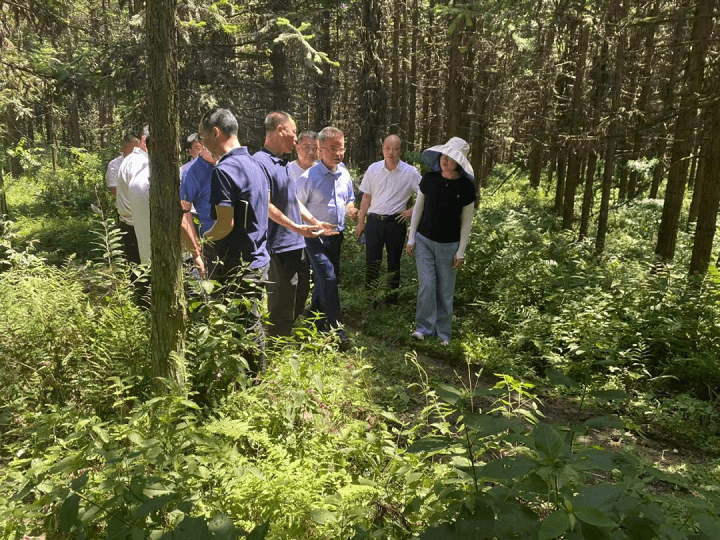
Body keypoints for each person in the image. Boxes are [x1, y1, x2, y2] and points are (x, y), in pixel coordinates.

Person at [200, 107, 270, 372]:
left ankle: (254, 387)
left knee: (245, 328)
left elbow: (225, 225)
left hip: (238, 265)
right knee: (251, 324)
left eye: (202, 136)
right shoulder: (256, 164)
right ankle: (251, 381)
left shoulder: (224, 170)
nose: (202, 143)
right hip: (259, 259)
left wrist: (202, 238)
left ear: (215, 133)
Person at [253, 112, 332, 337]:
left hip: (296, 245)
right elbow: (266, 206)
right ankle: (275, 356)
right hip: (278, 247)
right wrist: (296, 228)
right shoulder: (260, 162)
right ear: (279, 130)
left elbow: (292, 199)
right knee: (281, 306)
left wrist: (313, 222)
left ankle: (281, 346)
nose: (296, 139)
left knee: (298, 299)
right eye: (294, 132)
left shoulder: (283, 163)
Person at [406, 137, 476, 346]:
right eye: (444, 156)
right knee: (427, 284)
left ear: (459, 163)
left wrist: (461, 251)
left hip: (449, 246)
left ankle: (443, 333)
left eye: (451, 158)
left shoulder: (466, 187)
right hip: (424, 241)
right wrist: (411, 238)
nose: (446, 161)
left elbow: (466, 222)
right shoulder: (429, 179)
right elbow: (418, 209)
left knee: (445, 290)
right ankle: (423, 328)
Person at [296, 126, 357, 349]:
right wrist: (312, 224)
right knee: (328, 278)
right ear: (320, 150)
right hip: (315, 238)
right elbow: (296, 205)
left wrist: (351, 208)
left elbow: (349, 198)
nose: (338, 153)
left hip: (337, 237)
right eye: (333, 148)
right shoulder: (308, 177)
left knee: (328, 280)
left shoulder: (345, 173)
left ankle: (314, 318)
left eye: (341, 148)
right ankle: (337, 329)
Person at [356, 135, 421, 306]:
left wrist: (411, 211)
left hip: (396, 223)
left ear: (401, 150)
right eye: (388, 148)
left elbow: (426, 196)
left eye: (395, 149)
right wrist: (361, 221)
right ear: (382, 148)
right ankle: (369, 299)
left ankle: (391, 301)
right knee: (372, 261)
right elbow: (366, 197)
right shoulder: (373, 169)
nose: (391, 153)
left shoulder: (410, 172)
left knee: (394, 262)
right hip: (374, 222)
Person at [180, 140, 217, 276]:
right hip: (210, 240)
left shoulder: (228, 163)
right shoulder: (189, 172)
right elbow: (184, 213)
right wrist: (195, 253)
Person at [116, 130, 147, 264]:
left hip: (130, 225)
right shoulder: (139, 162)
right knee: (142, 272)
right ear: (143, 140)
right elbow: (141, 194)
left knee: (136, 271)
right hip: (137, 227)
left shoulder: (130, 160)